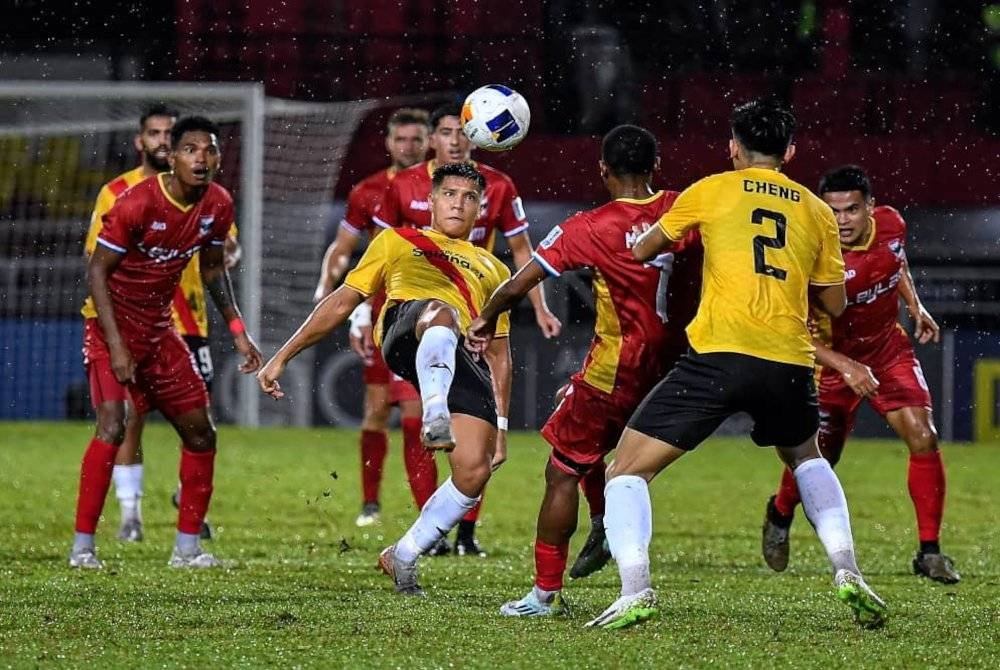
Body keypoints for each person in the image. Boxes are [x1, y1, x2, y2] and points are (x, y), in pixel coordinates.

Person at [586, 98, 888, 630]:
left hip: (720, 355)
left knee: (625, 470)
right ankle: (848, 570)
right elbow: (836, 304)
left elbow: (643, 250)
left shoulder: (710, 189)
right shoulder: (816, 211)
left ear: (732, 147)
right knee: (806, 457)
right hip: (789, 362)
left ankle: (635, 589)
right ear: (790, 151)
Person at [467, 125, 703, 617]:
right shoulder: (687, 210)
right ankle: (602, 522)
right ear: (655, 167)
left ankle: (545, 594)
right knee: (587, 435)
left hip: (617, 370)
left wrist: (486, 317)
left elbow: (518, 283)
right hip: (681, 367)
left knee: (560, 470)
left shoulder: (588, 228)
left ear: (602, 169)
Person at [258, 162, 512, 596]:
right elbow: (342, 301)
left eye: (469, 198)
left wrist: (501, 429)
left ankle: (404, 555)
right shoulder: (397, 240)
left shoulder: (495, 271)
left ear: (480, 209)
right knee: (441, 313)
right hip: (405, 328)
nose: (458, 203)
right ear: (431, 201)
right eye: (449, 194)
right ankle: (435, 410)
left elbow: (500, 353)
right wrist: (282, 355)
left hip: (460, 360)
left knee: (472, 472)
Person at [70, 116, 262, 569]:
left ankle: (187, 550)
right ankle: (82, 549)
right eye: (191, 149)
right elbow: (97, 271)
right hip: (109, 329)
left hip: (160, 333)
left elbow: (213, 270)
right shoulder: (137, 202)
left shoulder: (218, 203)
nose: (202, 157)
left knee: (201, 432)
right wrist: (116, 347)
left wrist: (238, 332)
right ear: (171, 157)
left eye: (209, 149)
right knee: (113, 425)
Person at [374, 101, 562, 556]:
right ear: (430, 140)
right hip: (414, 313)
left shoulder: (496, 187)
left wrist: (539, 305)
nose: (455, 139)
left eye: (463, 132)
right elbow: (382, 253)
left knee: (477, 441)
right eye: (445, 131)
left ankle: (458, 534)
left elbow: (522, 252)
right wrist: (366, 313)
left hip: (478, 308)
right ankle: (419, 519)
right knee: (416, 416)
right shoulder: (403, 185)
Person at [761, 165, 959, 584]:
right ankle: (779, 512)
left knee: (923, 435)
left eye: (852, 209)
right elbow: (787, 329)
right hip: (831, 363)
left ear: (870, 206)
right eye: (833, 211)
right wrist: (844, 364)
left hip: (886, 350)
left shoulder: (892, 224)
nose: (842, 220)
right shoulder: (807, 254)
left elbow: (896, 264)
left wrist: (916, 305)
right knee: (821, 458)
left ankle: (929, 552)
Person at [313, 108, 438, 532]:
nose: (408, 147)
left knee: (414, 409)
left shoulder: (441, 190)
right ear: (387, 143)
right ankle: (370, 502)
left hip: (421, 311)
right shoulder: (368, 191)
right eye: (400, 140)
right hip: (379, 309)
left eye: (416, 140)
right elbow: (344, 249)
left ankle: (426, 512)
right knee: (375, 409)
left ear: (429, 142)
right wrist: (331, 296)